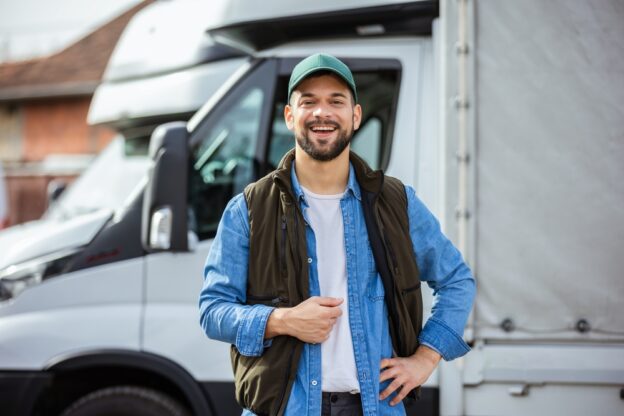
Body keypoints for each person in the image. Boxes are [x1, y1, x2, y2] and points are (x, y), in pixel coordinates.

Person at [199, 53, 476, 416]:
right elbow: (212, 311)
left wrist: (426, 357)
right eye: (308, 102)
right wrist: (282, 320)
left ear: (355, 115)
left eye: (336, 101)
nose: (321, 113)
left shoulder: (396, 202)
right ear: (289, 116)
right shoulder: (248, 208)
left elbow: (458, 280)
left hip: (375, 407)